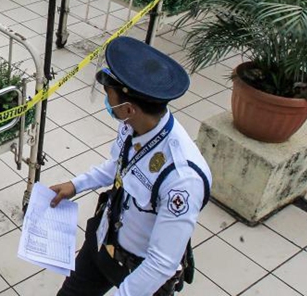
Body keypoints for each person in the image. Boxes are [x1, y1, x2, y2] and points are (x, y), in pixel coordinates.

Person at [51, 36, 212, 296]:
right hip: (105, 239)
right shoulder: (132, 126)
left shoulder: (181, 178)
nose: (107, 103)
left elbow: (161, 263)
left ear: (128, 109)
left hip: (141, 272)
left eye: (109, 97)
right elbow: (119, 165)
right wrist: (76, 185)